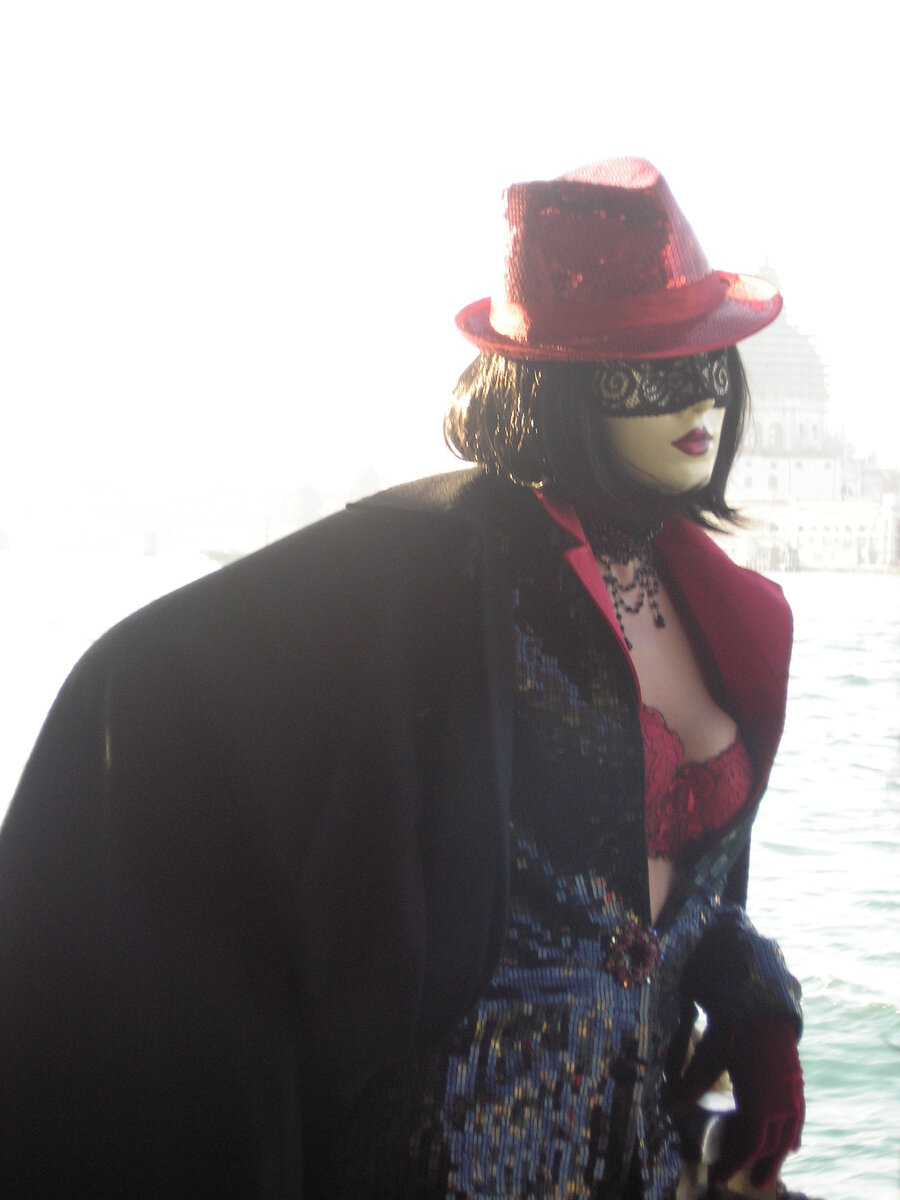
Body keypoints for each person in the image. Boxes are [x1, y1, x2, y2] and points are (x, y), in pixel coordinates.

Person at [0, 157, 804, 1199]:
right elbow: (149, 687)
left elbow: (675, 902)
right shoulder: (432, 582)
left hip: (637, 1159)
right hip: (446, 1159)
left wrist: (757, 1006)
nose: (697, 398)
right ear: (560, 382)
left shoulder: (726, 611)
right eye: (646, 370)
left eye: (707, 361)